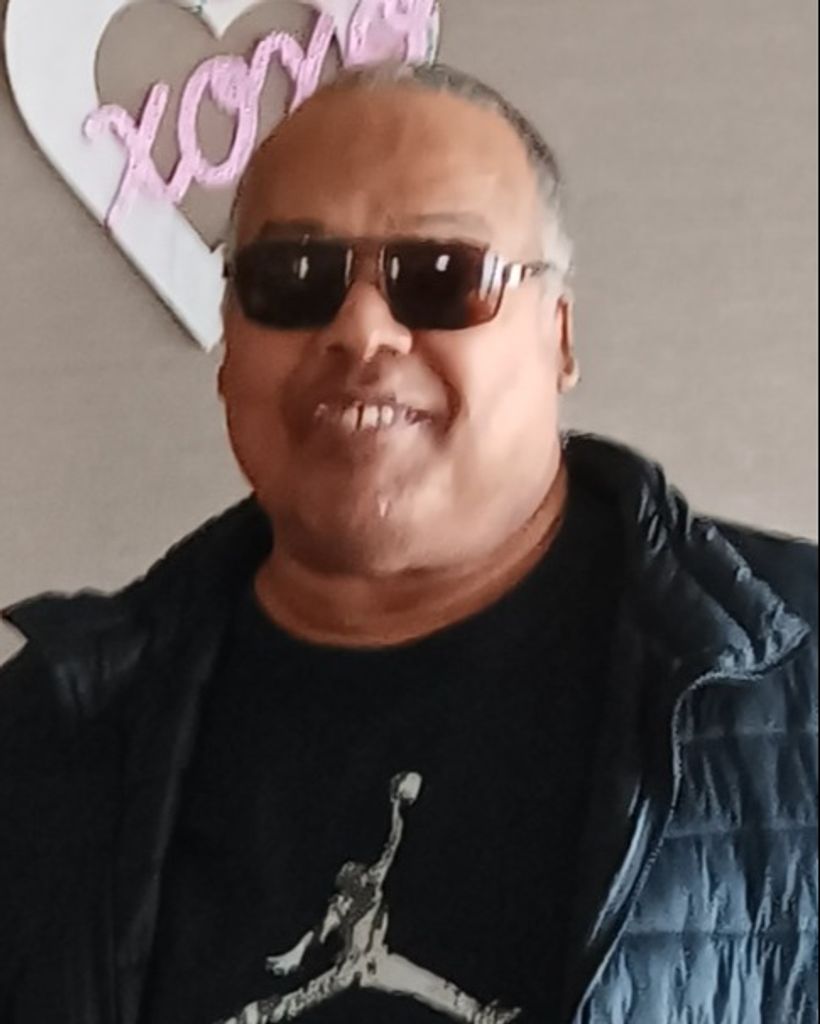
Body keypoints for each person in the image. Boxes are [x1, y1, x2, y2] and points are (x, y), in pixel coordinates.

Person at [0, 63, 816, 1024]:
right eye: (293, 279)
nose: (360, 329)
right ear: (231, 338)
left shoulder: (792, 677)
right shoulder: (49, 728)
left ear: (558, 337)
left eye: (442, 276)